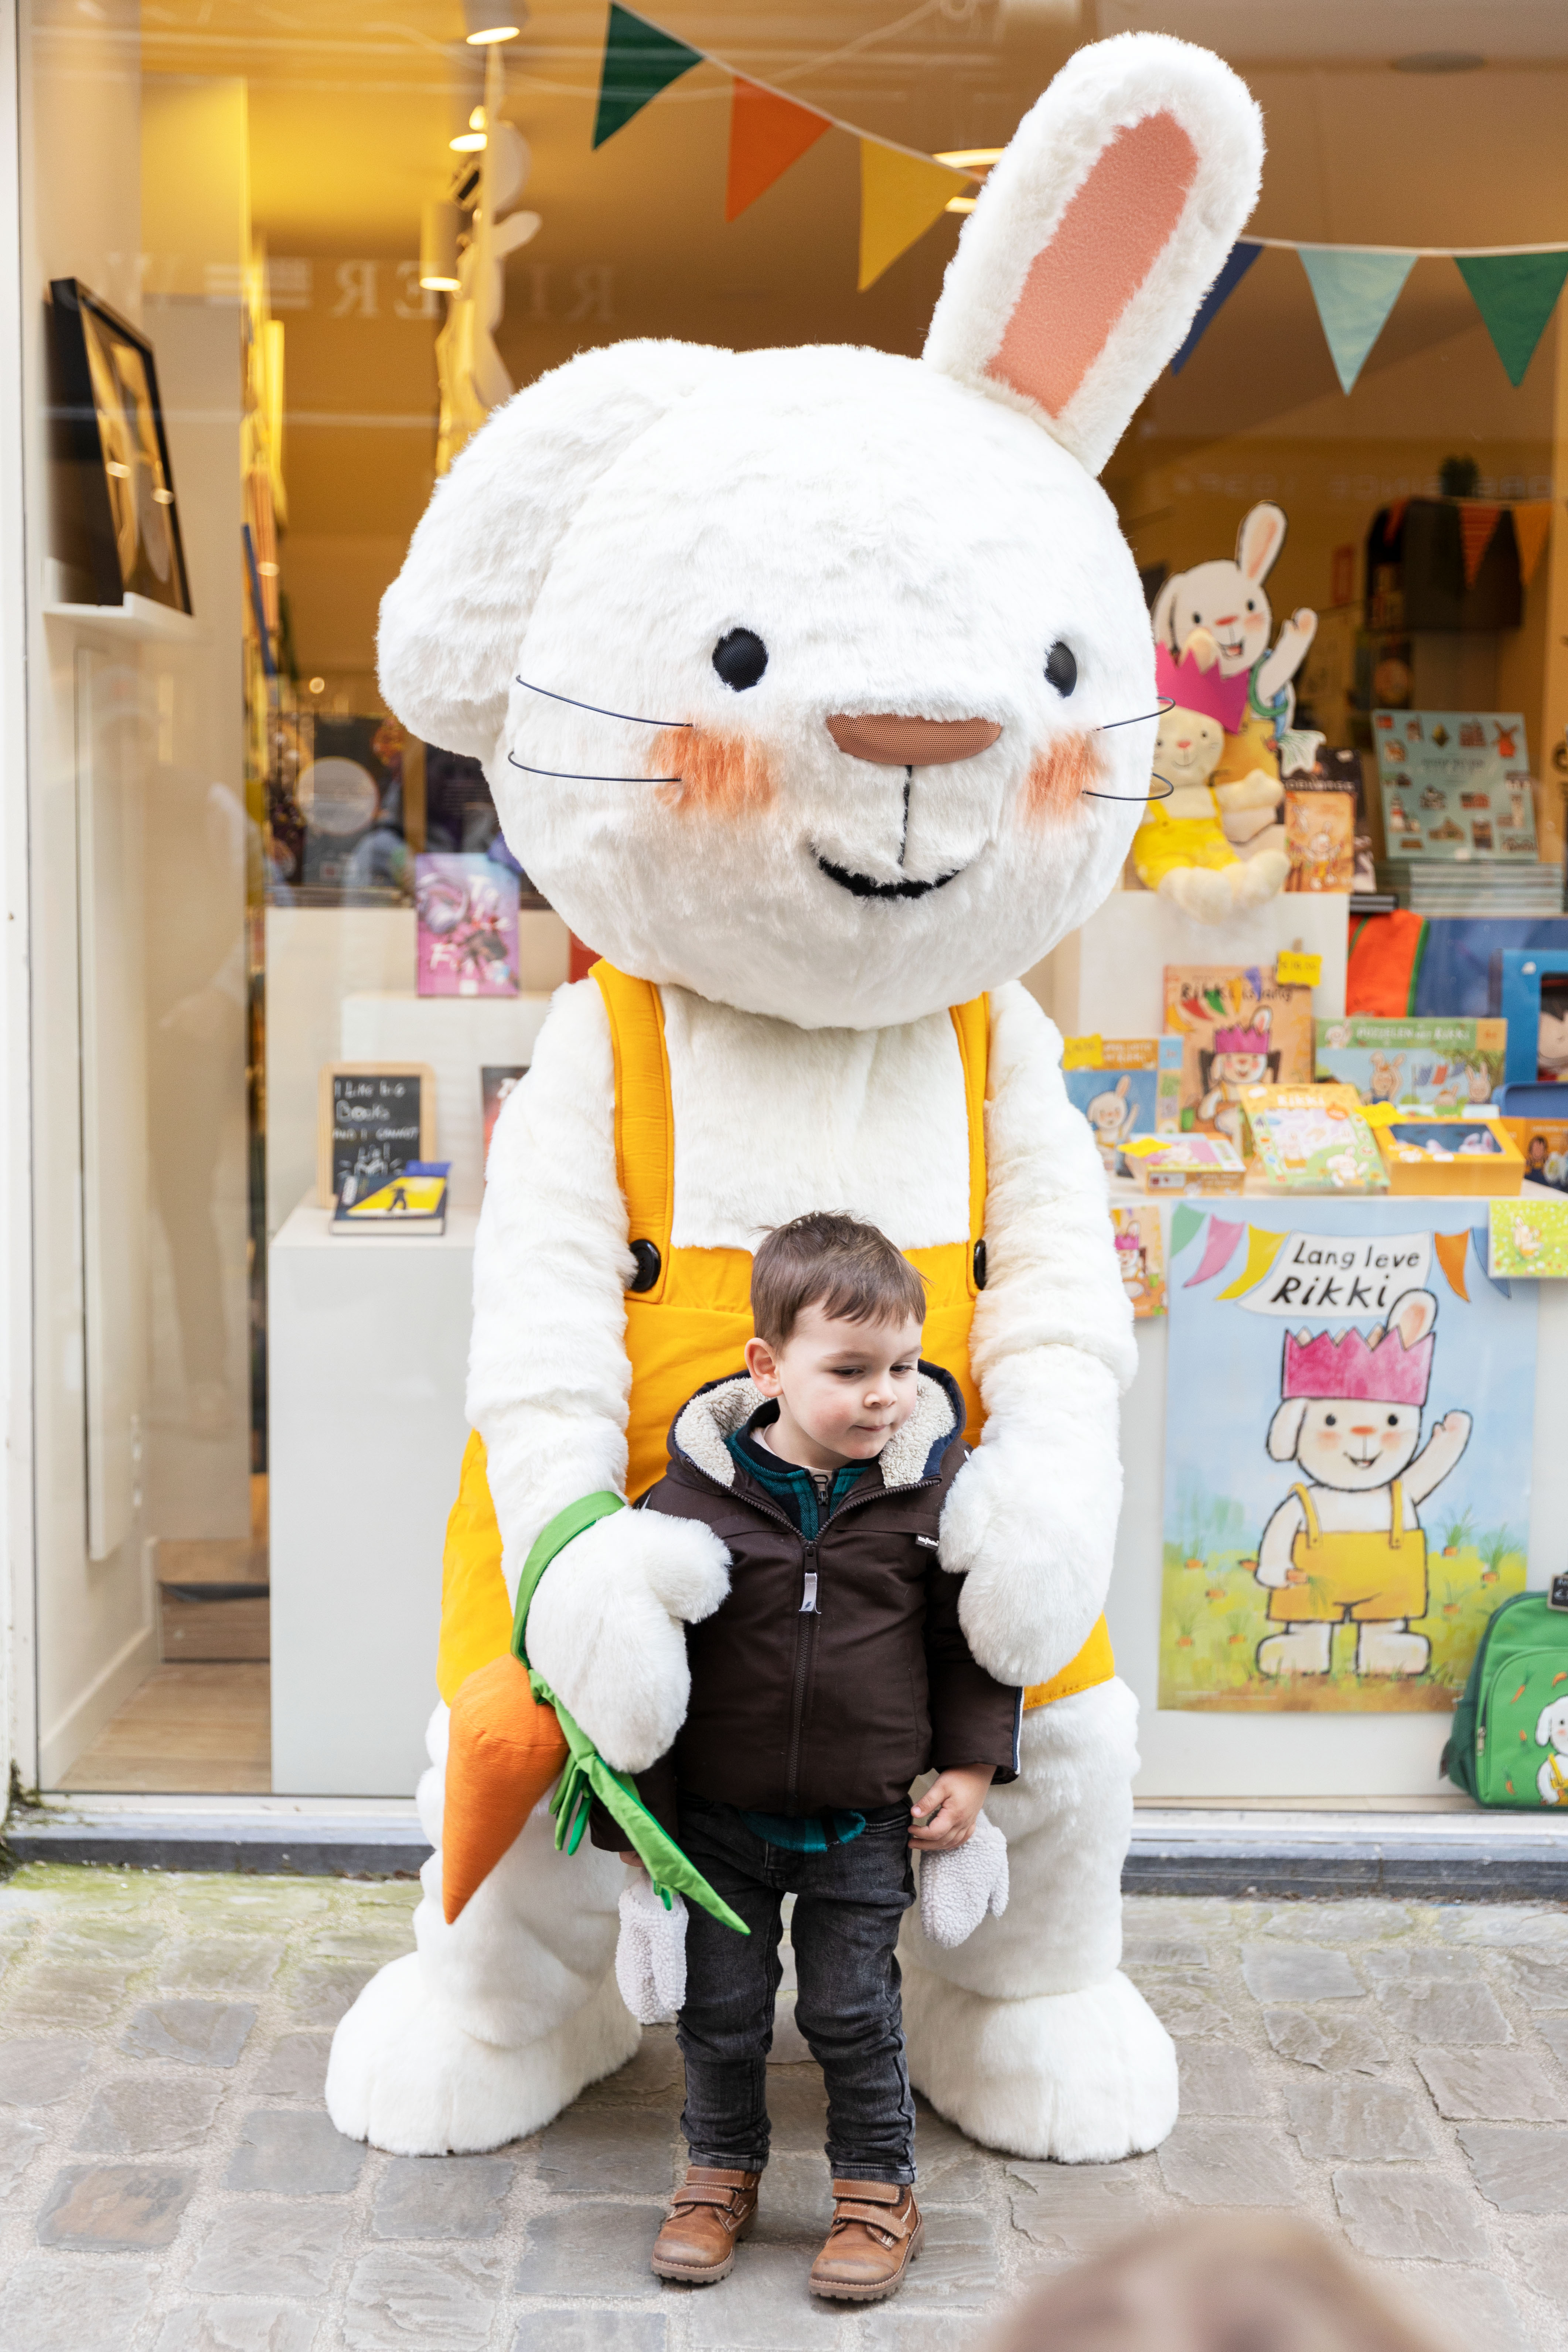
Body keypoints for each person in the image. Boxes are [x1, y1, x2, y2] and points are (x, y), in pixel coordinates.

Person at [595, 1211, 1020, 2304]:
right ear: (766, 1366)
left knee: (849, 2011)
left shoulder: (931, 1497)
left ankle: (879, 2192)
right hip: (718, 1827)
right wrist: (641, 1833)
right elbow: (637, 1677)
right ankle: (718, 2172)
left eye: (902, 1366)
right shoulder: (687, 1502)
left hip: (865, 1817)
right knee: (722, 2009)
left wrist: (970, 1771)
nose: (885, 1394)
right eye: (849, 1370)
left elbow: (970, 1644)